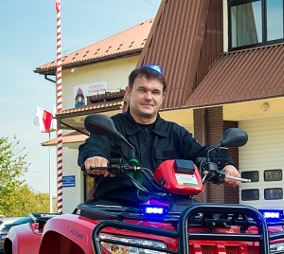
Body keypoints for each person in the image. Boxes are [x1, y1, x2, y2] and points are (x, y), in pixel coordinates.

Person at [79, 64, 241, 204]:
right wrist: (95, 157)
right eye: (142, 90)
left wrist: (226, 165)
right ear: (128, 93)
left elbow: (201, 153)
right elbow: (93, 146)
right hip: (117, 210)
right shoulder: (110, 128)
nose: (149, 97)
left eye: (155, 92)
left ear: (162, 97)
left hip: (169, 209)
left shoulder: (175, 133)